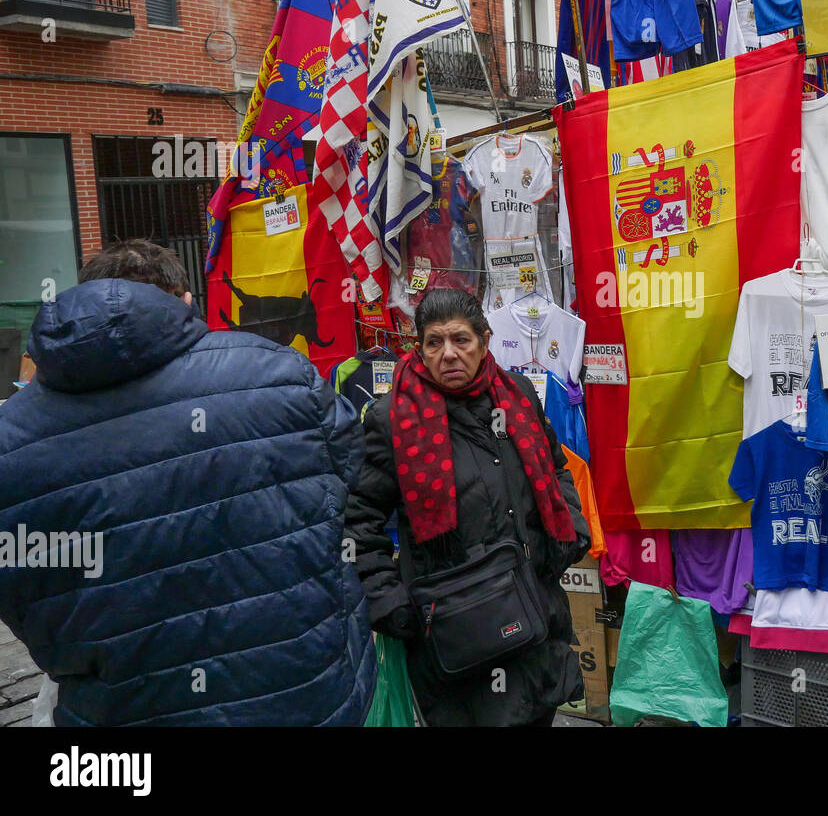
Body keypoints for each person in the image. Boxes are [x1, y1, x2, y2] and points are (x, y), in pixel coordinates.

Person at [0, 240, 376, 725]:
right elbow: (346, 470)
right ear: (184, 300)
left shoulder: (12, 439)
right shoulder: (281, 373)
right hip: (305, 694)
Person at [345, 287, 590, 726]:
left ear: (485, 340)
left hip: (535, 615)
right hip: (457, 634)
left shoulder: (515, 395)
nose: (449, 354)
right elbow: (359, 522)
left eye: (461, 339)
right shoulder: (392, 420)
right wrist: (389, 603)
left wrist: (570, 528)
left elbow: (555, 467)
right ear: (419, 349)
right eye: (434, 342)